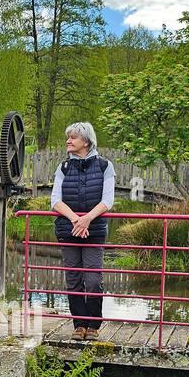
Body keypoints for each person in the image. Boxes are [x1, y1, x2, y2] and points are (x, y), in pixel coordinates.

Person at [51, 121, 115, 339]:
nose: (68, 141)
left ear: (86, 141)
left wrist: (87, 219)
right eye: (68, 137)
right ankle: (79, 325)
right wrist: (76, 220)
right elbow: (55, 201)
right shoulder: (63, 167)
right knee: (74, 279)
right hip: (68, 230)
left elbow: (108, 200)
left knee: (94, 279)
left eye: (73, 137)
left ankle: (94, 325)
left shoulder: (105, 166)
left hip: (93, 230)